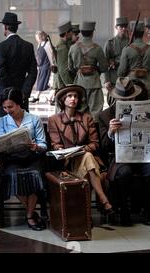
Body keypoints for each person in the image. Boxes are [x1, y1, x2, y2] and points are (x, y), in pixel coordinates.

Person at [47, 85, 113, 218]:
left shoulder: (86, 118)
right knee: (88, 159)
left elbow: (95, 144)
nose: (73, 99)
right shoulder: (54, 120)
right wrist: (61, 150)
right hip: (67, 162)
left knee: (88, 157)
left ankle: (85, 217)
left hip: (87, 160)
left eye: (76, 96)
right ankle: (103, 200)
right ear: (63, 100)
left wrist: (82, 149)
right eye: (69, 96)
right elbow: (55, 144)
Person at [99, 77, 150, 226]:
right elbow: (104, 146)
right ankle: (124, 212)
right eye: (124, 98)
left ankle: (148, 211)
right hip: (121, 157)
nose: (129, 100)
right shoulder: (105, 115)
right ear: (116, 98)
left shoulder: (146, 110)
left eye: (131, 97)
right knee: (124, 173)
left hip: (144, 155)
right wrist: (110, 132)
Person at [0, 87, 47, 231]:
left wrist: (35, 146)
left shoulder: (34, 119)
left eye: (10, 106)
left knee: (36, 175)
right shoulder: (2, 121)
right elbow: (0, 143)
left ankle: (30, 215)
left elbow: (43, 144)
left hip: (31, 156)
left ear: (19, 104)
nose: (7, 110)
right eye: (4, 107)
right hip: (12, 158)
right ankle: (31, 212)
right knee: (12, 176)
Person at [0, 12, 37, 115]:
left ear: (5, 27)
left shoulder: (2, 47)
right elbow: (33, 72)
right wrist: (24, 92)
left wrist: (9, 92)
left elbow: (2, 72)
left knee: (5, 126)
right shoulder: (28, 46)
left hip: (5, 96)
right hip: (21, 94)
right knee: (22, 125)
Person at [68, 21, 108, 122]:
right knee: (95, 112)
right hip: (94, 83)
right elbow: (104, 67)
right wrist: (96, 70)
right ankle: (94, 134)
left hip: (79, 83)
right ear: (92, 32)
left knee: (79, 110)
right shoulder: (98, 49)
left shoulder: (73, 48)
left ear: (81, 32)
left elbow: (70, 68)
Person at [117, 21, 150, 96]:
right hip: (148, 86)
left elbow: (120, 73)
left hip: (131, 87)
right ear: (143, 32)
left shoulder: (126, 49)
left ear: (132, 33)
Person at [104, 17, 129, 105]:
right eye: (121, 26)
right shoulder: (110, 43)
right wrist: (106, 80)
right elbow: (105, 63)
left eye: (125, 26)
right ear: (116, 27)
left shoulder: (130, 42)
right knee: (114, 104)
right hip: (114, 78)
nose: (123, 29)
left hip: (127, 78)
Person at [51, 21, 74, 106]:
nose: (72, 34)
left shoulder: (62, 45)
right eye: (71, 32)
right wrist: (71, 85)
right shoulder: (63, 48)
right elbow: (63, 70)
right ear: (66, 33)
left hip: (61, 84)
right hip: (63, 84)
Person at [32, 31, 53, 103]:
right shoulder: (40, 44)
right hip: (41, 66)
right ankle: (41, 96)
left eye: (37, 37)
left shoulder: (48, 44)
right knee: (42, 82)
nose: (36, 39)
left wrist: (53, 65)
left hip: (47, 66)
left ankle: (40, 96)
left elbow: (51, 56)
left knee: (46, 82)